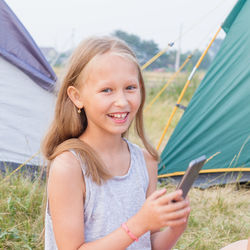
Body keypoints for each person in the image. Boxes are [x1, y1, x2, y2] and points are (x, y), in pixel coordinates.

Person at [41, 36, 190, 250]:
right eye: (106, 90)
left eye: (130, 87)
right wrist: (139, 224)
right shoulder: (69, 166)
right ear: (76, 97)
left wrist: (176, 228)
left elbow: (150, 244)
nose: (122, 101)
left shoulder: (145, 161)